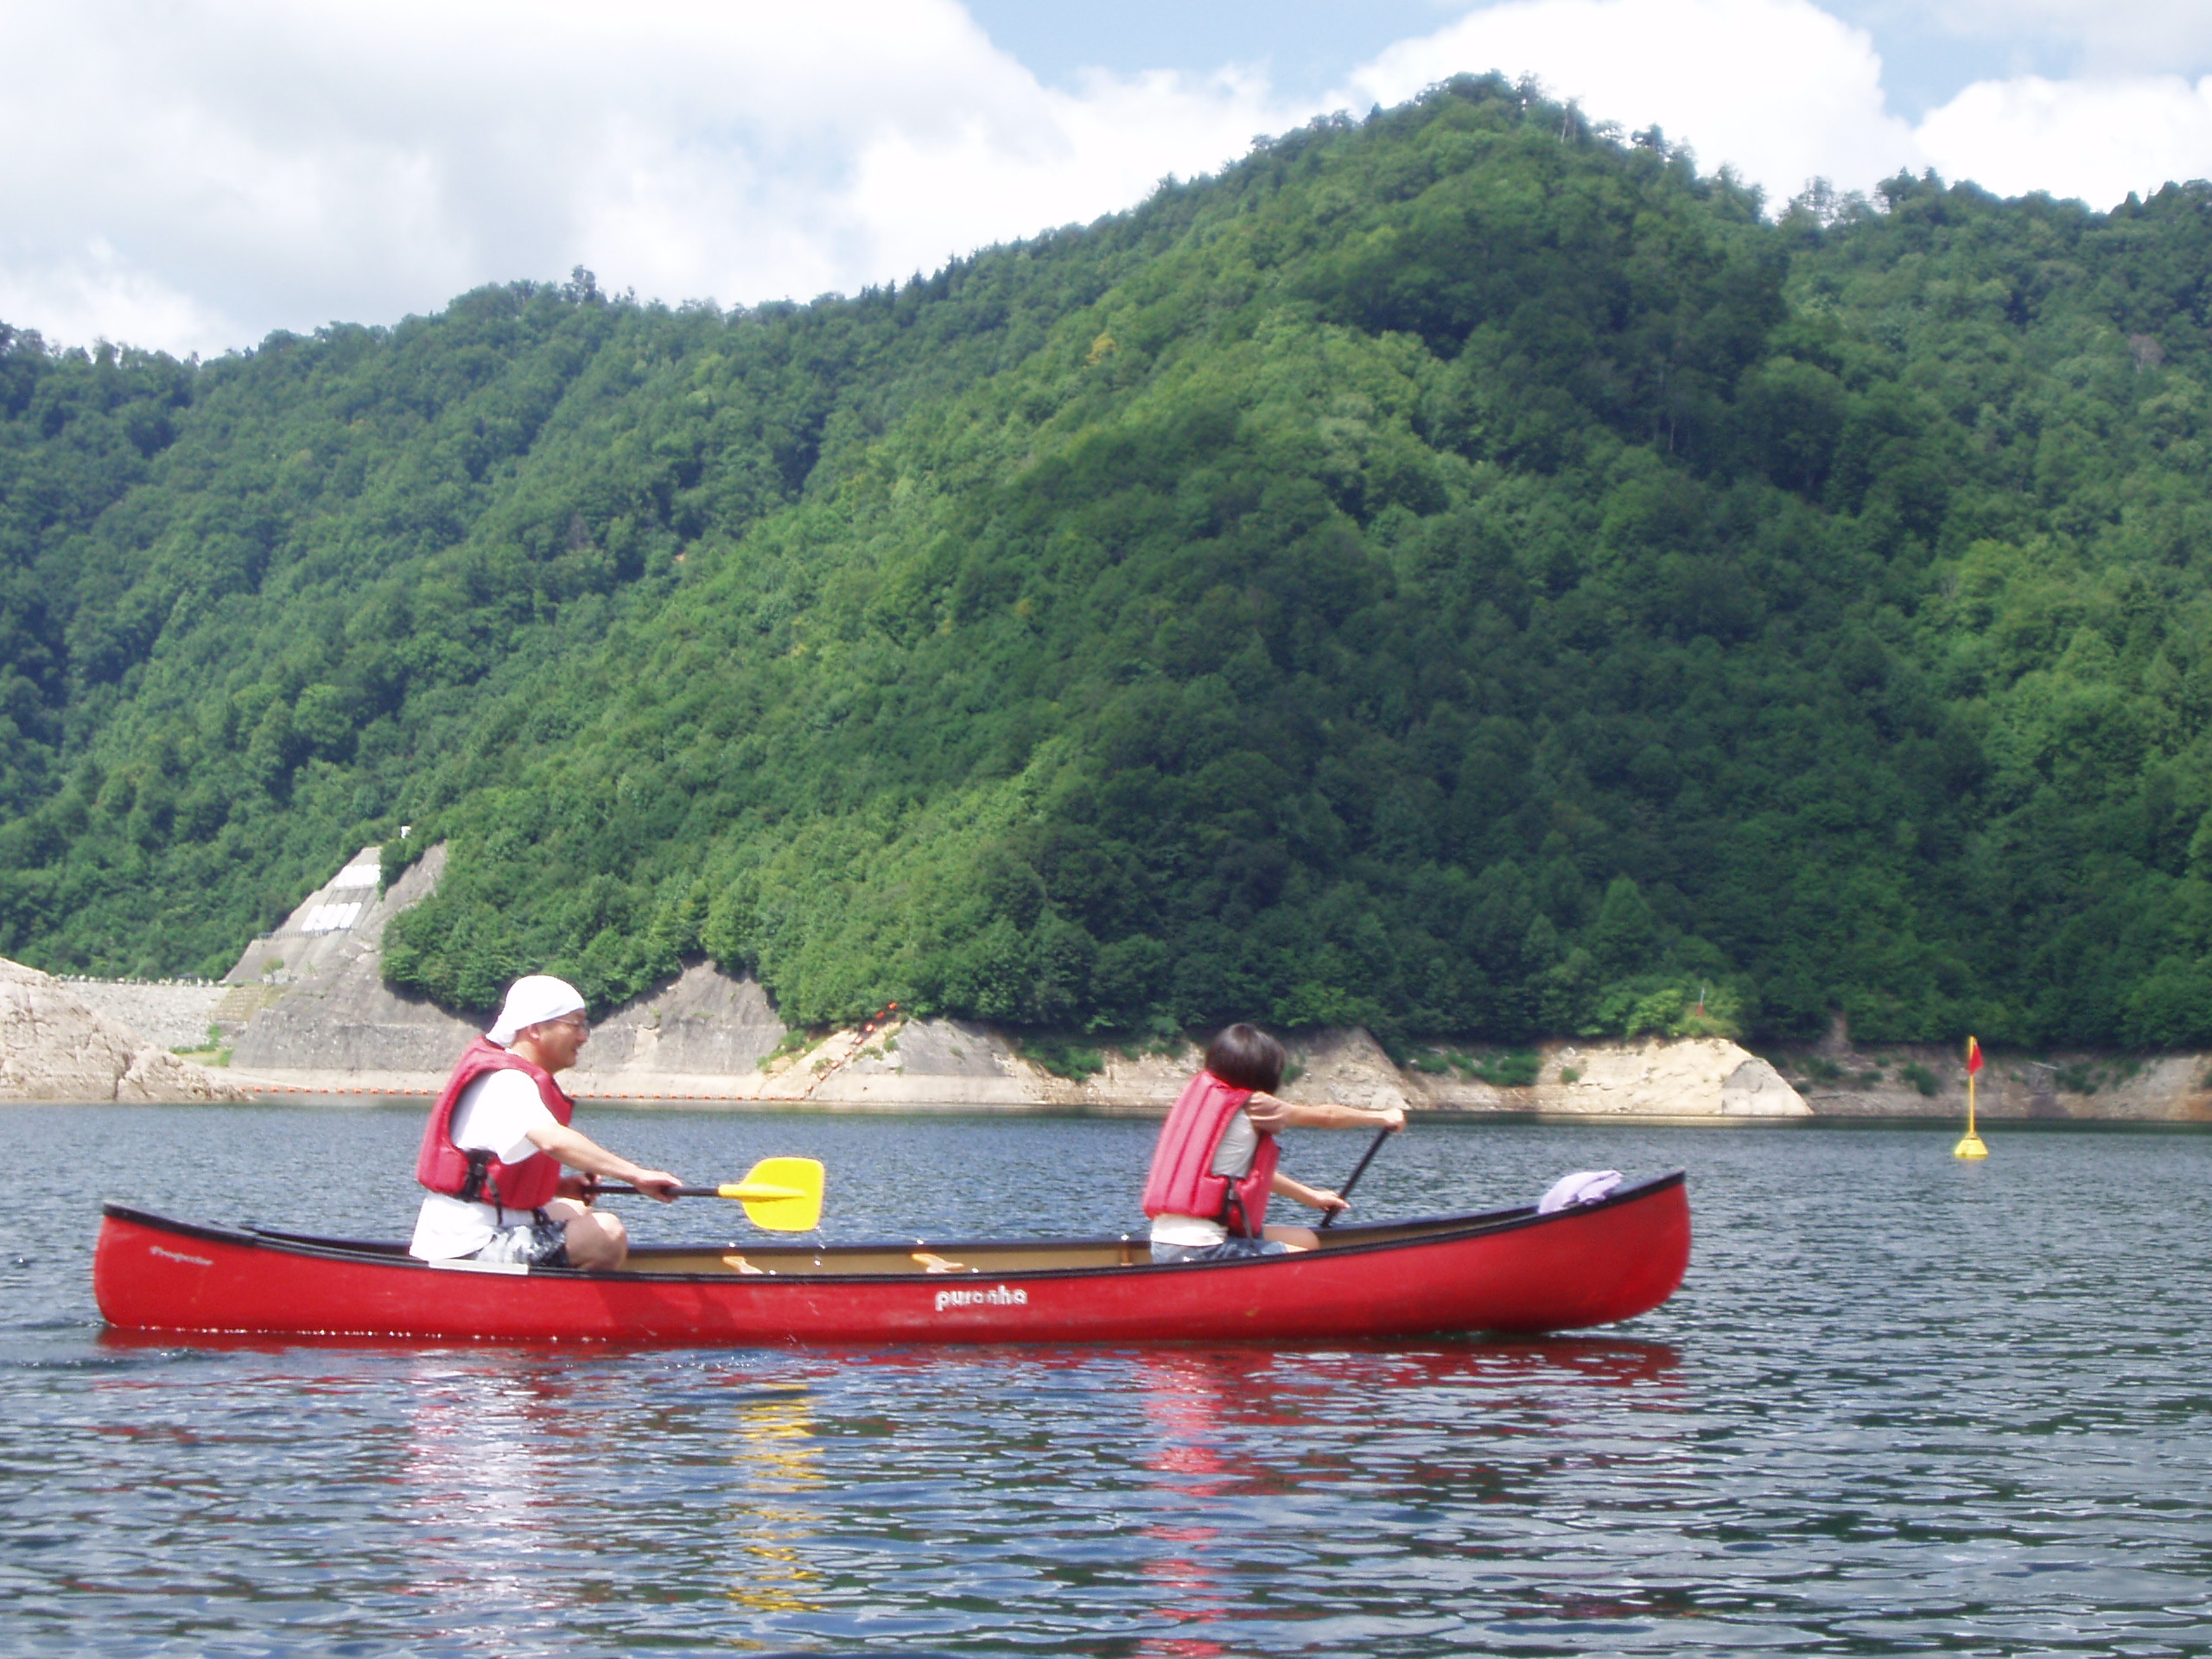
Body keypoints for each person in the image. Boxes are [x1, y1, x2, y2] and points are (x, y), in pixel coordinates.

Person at [410, 975, 683, 1270]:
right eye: (575, 1024)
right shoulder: (507, 1080)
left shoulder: (514, 1075)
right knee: (606, 1234)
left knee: (574, 1209)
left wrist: (558, 1187)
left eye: (584, 1025)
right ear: (536, 1028)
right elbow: (552, 1139)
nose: (583, 1036)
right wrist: (636, 1175)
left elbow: (489, 1176)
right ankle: (565, 1310)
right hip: (466, 1246)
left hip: (494, 1228)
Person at [1142, 1022, 1406, 1263]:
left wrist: (1312, 1197)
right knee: (1310, 1264)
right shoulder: (1254, 1105)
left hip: (1165, 1245)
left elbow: (1247, 1175)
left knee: (1307, 1240)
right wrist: (1382, 1116)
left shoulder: (1203, 1104)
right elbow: (1327, 1117)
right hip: (1204, 1249)